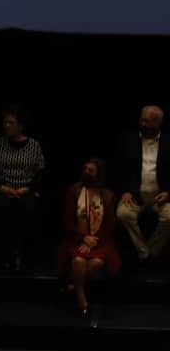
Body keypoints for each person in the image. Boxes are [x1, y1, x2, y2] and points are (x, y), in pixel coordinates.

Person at [0, 105, 46, 271]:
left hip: (26, 191)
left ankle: (23, 257)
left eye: (11, 123)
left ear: (20, 125)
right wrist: (2, 187)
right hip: (2, 189)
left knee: (29, 210)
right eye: (5, 122)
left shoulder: (34, 145)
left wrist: (27, 189)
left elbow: (40, 173)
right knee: (0, 209)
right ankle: (2, 256)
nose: (6, 126)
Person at [57, 158, 121, 315]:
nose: (86, 172)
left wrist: (94, 240)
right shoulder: (74, 191)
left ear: (98, 174)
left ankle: (74, 283)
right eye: (84, 169)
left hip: (100, 241)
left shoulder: (107, 195)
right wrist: (83, 237)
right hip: (76, 239)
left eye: (91, 170)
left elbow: (110, 224)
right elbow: (67, 220)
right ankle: (81, 297)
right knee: (78, 260)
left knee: (97, 262)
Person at [113, 105, 170, 266]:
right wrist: (124, 191)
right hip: (136, 196)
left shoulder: (168, 142)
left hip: (161, 197)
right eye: (141, 119)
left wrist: (168, 193)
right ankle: (145, 252)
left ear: (158, 123)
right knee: (123, 214)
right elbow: (118, 170)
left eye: (147, 121)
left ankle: (152, 250)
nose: (142, 124)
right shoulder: (128, 140)